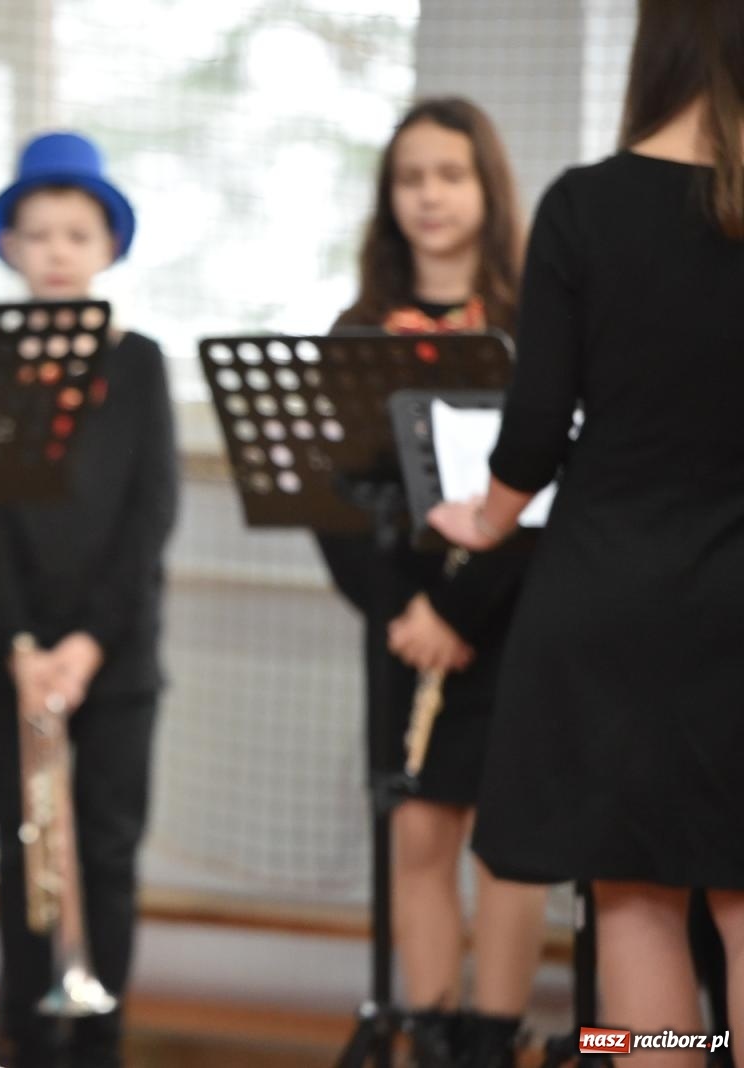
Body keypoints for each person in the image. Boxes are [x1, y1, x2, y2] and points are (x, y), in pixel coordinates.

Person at [430, 3, 744, 1064]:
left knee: (631, 899)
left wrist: (480, 520)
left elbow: (532, 431)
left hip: (613, 601)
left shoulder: (585, 206)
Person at [317, 98, 546, 1068]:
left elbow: (551, 483)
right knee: (416, 834)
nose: (430, 196)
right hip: (403, 623)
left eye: (450, 174)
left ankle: (491, 1041)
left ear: (486, 189)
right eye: (410, 178)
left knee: (508, 844)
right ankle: (430, 1032)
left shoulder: (537, 317)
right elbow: (332, 505)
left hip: (515, 618)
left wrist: (458, 611)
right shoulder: (357, 327)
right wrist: (405, 611)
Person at [0, 130, 178, 1068]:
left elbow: (150, 515)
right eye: (37, 231)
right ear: (10, 246)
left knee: (106, 848)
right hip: (9, 646)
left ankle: (98, 1040)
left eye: (76, 233)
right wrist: (22, 642)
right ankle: (26, 1034)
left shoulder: (140, 363)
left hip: (118, 651)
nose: (56, 250)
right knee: (23, 852)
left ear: (109, 248)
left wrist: (87, 644)